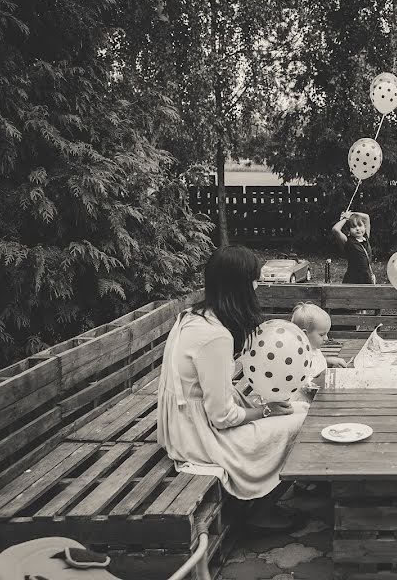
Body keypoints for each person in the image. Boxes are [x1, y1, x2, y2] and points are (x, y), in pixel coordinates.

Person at [157, 245, 308, 530]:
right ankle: (260, 513)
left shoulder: (193, 316)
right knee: (303, 422)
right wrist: (266, 411)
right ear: (239, 285)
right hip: (201, 438)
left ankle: (255, 500)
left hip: (183, 425)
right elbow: (222, 417)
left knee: (297, 408)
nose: (257, 285)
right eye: (254, 279)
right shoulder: (215, 336)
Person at [290, 302, 348, 386]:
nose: (326, 338)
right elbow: (302, 383)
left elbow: (315, 365)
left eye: (326, 334)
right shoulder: (298, 357)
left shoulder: (313, 348)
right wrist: (318, 381)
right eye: (322, 335)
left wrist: (329, 361)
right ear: (304, 334)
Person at [332, 211, 375, 284]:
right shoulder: (348, 242)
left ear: (364, 227)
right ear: (349, 230)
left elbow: (366, 217)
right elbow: (335, 229)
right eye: (354, 227)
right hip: (353, 279)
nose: (358, 229)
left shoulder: (366, 238)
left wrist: (351, 214)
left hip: (367, 278)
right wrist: (346, 218)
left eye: (360, 225)